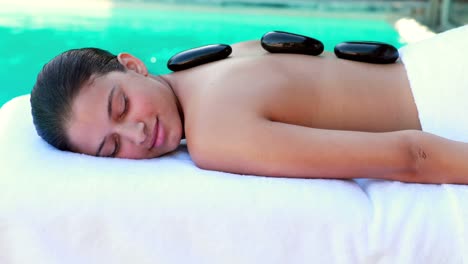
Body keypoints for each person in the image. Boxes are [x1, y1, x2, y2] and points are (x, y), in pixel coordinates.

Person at [30, 26, 468, 184]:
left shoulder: (215, 135)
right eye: (111, 148)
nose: (136, 135)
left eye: (121, 107)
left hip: (451, 98)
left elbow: (409, 156)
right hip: (446, 52)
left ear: (131, 66)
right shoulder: (206, 58)